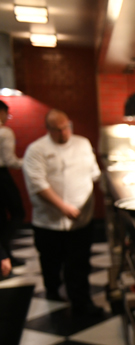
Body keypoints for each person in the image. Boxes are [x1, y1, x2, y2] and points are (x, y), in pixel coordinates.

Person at [23, 109, 102, 313]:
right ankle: (53, 293)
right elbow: (38, 185)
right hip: (49, 222)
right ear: (48, 129)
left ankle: (81, 304)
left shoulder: (82, 143)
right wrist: (63, 207)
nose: (64, 133)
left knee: (79, 264)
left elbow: (94, 173)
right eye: (58, 130)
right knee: (51, 263)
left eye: (66, 127)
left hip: (81, 220)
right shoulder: (36, 150)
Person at [0, 100, 26, 268]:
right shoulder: (5, 132)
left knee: (1, 218)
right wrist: (29, 162)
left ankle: (5, 255)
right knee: (18, 213)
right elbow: (10, 160)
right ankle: (4, 251)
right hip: (1, 176)